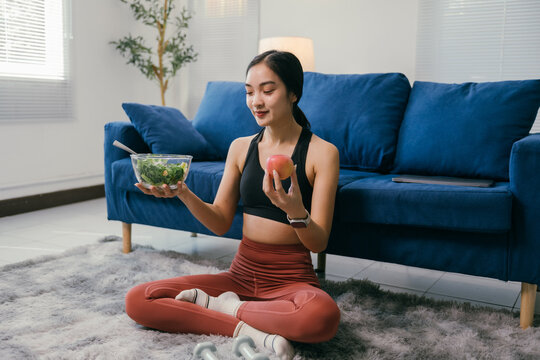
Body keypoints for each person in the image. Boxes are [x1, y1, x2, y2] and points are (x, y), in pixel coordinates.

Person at [126, 50, 341, 360]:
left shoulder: (322, 153)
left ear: (294, 93)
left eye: (268, 90)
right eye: (249, 92)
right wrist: (183, 193)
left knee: (321, 317)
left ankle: (221, 307)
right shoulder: (241, 148)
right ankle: (249, 330)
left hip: (291, 279)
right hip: (240, 274)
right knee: (139, 299)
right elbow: (220, 221)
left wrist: (296, 212)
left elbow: (318, 243)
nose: (256, 100)